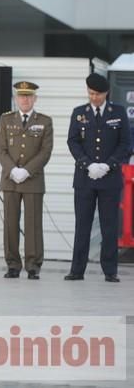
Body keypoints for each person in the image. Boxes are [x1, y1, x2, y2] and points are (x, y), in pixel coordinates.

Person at [65, 73, 131, 283]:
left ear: (106, 93)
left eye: (98, 94)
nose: (94, 97)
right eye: (91, 93)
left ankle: (110, 270)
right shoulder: (79, 113)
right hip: (85, 178)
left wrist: (107, 165)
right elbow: (73, 141)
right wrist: (88, 164)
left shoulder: (118, 112)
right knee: (82, 225)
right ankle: (77, 270)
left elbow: (125, 145)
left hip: (109, 178)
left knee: (109, 225)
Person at [0, 81, 53, 280]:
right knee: (10, 223)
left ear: (35, 98)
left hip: (33, 180)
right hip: (11, 179)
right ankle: (12, 264)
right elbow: (1, 149)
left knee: (33, 224)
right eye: (21, 96)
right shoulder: (6, 119)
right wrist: (12, 169)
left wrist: (27, 171)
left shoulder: (45, 121)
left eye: (29, 96)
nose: (25, 99)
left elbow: (45, 152)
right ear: (16, 98)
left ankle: (33, 266)